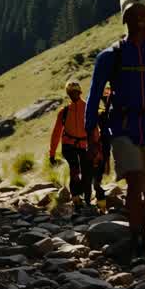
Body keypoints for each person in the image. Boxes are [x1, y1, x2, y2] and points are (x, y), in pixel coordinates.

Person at [85, 0, 145, 258]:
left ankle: (139, 228)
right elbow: (94, 95)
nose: (140, 17)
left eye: (143, 11)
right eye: (133, 13)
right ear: (124, 18)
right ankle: (136, 238)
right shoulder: (110, 56)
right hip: (121, 127)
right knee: (134, 180)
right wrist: (91, 133)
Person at [49, 78, 105, 217]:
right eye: (71, 92)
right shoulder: (64, 111)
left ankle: (86, 198)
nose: (73, 95)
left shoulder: (88, 108)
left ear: (79, 93)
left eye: (75, 92)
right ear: (68, 94)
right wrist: (52, 153)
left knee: (87, 172)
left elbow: (94, 130)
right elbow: (56, 133)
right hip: (68, 145)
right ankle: (75, 197)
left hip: (85, 145)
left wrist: (97, 149)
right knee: (74, 169)